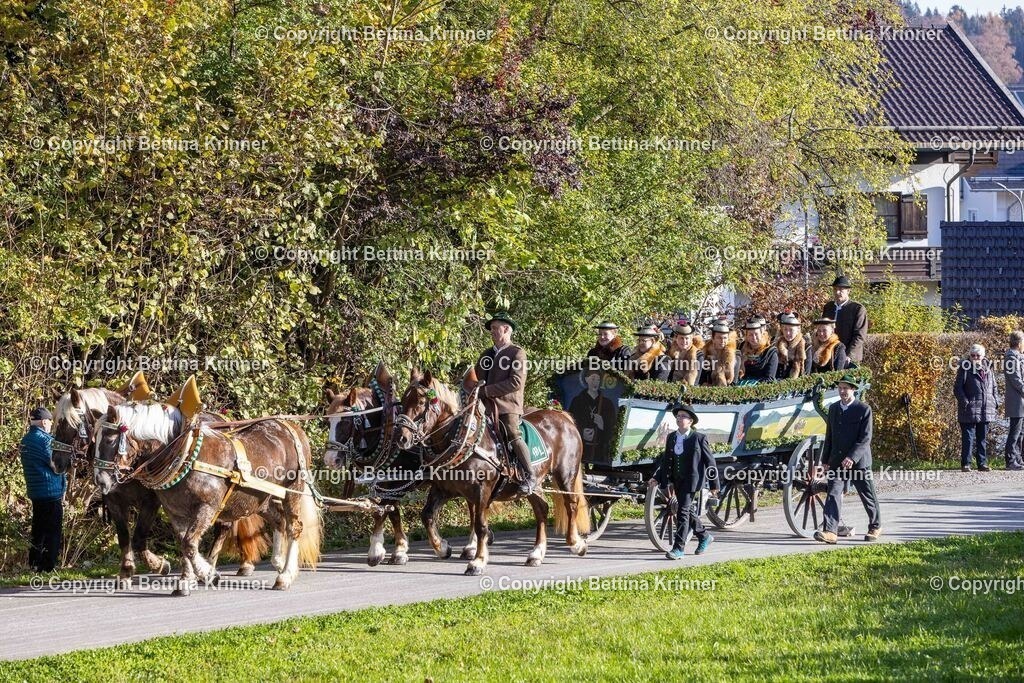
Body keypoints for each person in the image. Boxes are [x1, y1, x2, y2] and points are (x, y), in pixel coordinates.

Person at [814, 375, 882, 544]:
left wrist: (852, 457)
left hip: (859, 462)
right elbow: (829, 436)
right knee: (833, 493)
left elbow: (865, 438)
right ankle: (830, 531)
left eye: (846, 388)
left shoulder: (863, 409)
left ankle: (875, 526)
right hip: (837, 461)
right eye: (840, 388)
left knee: (867, 494)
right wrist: (826, 460)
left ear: (853, 390)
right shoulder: (834, 408)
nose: (843, 391)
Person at [474, 312, 535, 494]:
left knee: (513, 433)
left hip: (508, 407)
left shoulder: (517, 353)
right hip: (483, 406)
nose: (492, 332)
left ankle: (530, 476)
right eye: (491, 329)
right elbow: (477, 378)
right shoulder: (486, 354)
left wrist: (486, 391)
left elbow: (516, 382)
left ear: (506, 329)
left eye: (495, 328)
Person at [648, 404, 719, 560]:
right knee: (687, 510)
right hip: (676, 479)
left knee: (682, 513)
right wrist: (657, 477)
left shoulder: (699, 438)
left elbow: (710, 463)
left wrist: (714, 485)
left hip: (691, 481)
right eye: (678, 416)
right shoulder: (672, 437)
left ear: (690, 421)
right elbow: (666, 460)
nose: (679, 419)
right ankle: (704, 536)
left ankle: (678, 548)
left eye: (683, 416)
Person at [20, 407, 65, 572]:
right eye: (50, 421)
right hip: (50, 491)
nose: (51, 425)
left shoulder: (26, 440)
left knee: (38, 529)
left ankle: (34, 564)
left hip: (35, 492)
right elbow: (56, 466)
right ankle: (47, 567)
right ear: (45, 421)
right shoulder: (45, 441)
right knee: (53, 531)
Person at [954, 343, 998, 473]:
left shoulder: (988, 368)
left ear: (983, 356)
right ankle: (966, 464)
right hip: (969, 408)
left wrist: (995, 401)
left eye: (977, 355)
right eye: (972, 355)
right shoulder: (964, 368)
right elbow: (957, 388)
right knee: (968, 438)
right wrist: (965, 402)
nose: (975, 358)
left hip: (985, 407)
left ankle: (982, 463)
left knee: (982, 438)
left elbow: (994, 386)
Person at [568, 367, 617, 464]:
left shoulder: (607, 403)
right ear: (586, 379)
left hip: (599, 449)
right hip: (580, 448)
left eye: (598, 379)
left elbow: (613, 428)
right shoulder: (577, 401)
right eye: (593, 379)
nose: (595, 382)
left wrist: (602, 425)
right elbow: (570, 422)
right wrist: (582, 432)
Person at [822, 275, 867, 364]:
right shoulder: (828, 307)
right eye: (835, 289)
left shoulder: (857, 309)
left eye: (841, 290)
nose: (837, 292)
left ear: (848, 291)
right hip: (829, 355)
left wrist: (849, 355)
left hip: (848, 358)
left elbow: (859, 335)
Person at [1004, 331, 1024, 471]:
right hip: (1016, 400)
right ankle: (1010, 460)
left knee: (1020, 432)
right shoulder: (1011, 357)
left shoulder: (1017, 356)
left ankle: (1017, 458)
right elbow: (1016, 379)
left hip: (1020, 399)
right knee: (1015, 431)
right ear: (1019, 343)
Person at [702, 319, 738, 386]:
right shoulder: (706, 352)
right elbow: (702, 377)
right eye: (719, 338)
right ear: (713, 338)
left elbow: (733, 382)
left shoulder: (734, 355)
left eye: (725, 338)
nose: (722, 341)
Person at [775, 312, 807, 379]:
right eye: (785, 329)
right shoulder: (778, 345)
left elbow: (806, 373)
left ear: (798, 330)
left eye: (791, 330)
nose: (788, 333)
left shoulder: (805, 346)